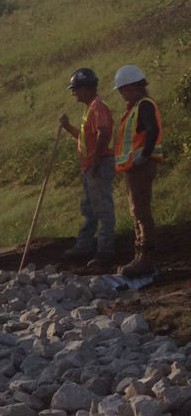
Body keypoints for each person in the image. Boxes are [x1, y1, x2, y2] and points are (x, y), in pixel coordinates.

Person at [58, 68, 116, 268]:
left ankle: (105, 250)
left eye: (75, 89)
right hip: (91, 166)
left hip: (98, 165)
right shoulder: (90, 108)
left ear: (86, 88)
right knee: (89, 208)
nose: (73, 93)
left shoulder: (98, 106)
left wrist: (96, 161)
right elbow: (86, 139)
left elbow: (104, 133)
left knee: (102, 209)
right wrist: (67, 127)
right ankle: (85, 246)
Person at [112, 64, 163, 278]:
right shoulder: (135, 108)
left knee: (141, 211)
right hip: (134, 167)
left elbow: (153, 130)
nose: (122, 94)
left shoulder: (144, 106)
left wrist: (144, 155)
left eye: (123, 89)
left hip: (141, 166)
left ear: (133, 87)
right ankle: (139, 255)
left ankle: (146, 258)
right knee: (136, 211)